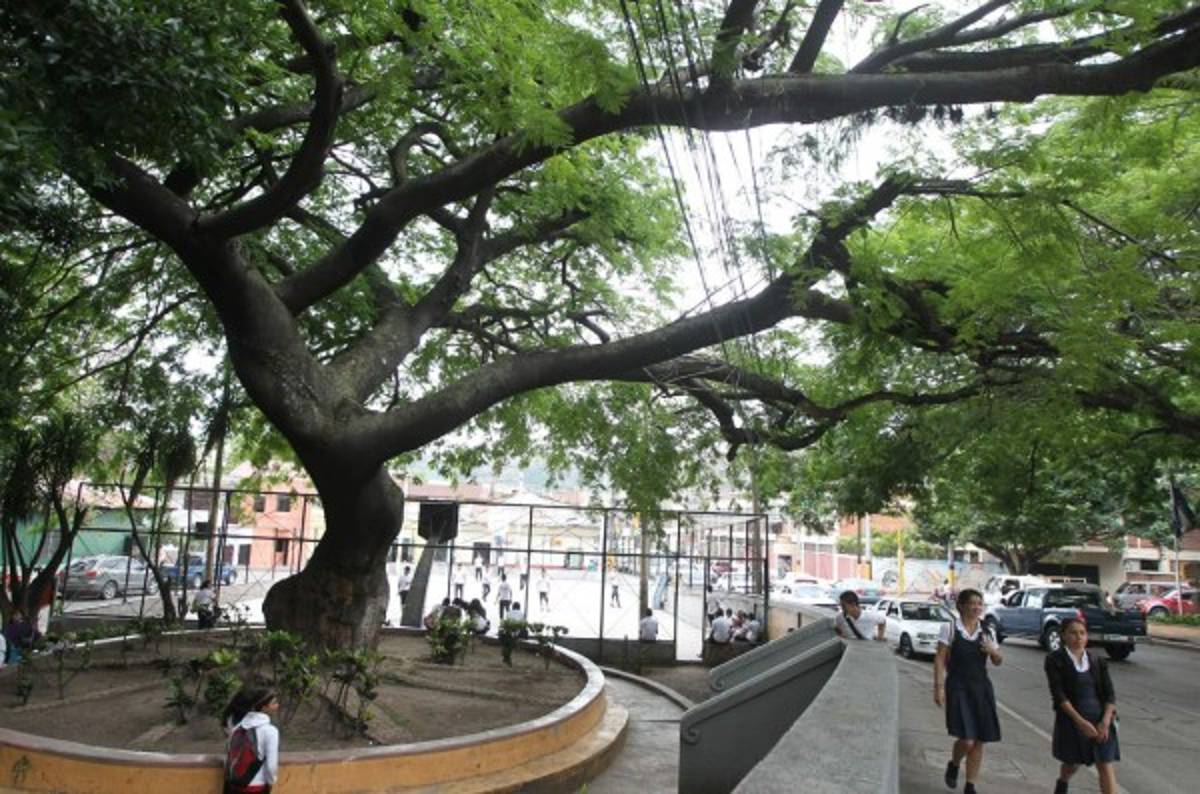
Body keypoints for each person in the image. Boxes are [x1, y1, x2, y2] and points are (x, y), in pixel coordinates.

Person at [934, 588, 1002, 794]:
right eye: (972, 603)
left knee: (979, 739)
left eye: (979, 603)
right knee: (967, 739)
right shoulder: (950, 628)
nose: (976, 607)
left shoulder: (987, 631)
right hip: (958, 687)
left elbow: (998, 661)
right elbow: (939, 658)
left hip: (981, 688)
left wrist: (992, 651)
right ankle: (954, 764)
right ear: (961, 606)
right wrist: (938, 687)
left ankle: (970, 784)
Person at [1044, 617, 1120, 794]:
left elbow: (1110, 694)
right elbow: (1059, 695)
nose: (1078, 637)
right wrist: (1080, 722)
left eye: (1082, 633)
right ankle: (1063, 782)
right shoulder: (1055, 660)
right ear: (1063, 635)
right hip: (1073, 719)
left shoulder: (1097, 661)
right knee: (1072, 764)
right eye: (1073, 633)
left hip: (1101, 719)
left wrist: (1106, 721)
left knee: (1105, 764)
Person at [223, 686, 280, 794]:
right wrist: (271, 782)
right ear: (264, 707)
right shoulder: (270, 731)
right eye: (274, 703)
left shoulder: (237, 727)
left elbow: (229, 754)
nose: (277, 706)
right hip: (256, 787)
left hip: (234, 785)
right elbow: (271, 766)